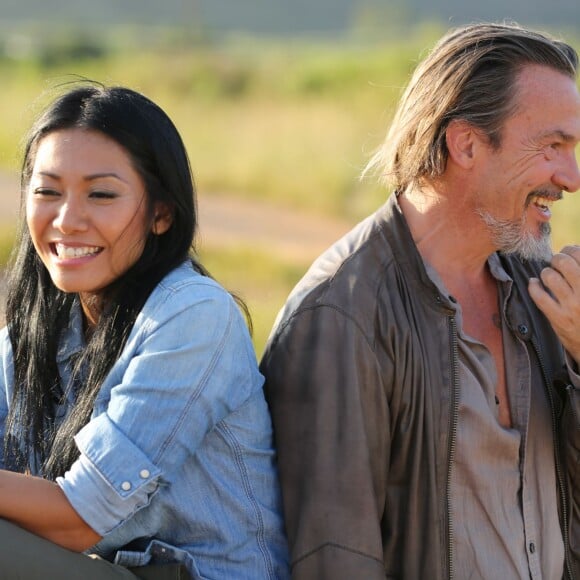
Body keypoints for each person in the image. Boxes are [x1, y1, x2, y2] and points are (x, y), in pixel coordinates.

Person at [260, 22, 580, 579]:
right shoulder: (340, 315)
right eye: (553, 146)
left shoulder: (546, 293)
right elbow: (337, 559)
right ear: (467, 144)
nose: (571, 178)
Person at [0, 84, 289, 579]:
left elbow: (78, 519)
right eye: (47, 191)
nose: (67, 220)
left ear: (162, 213)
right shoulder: (35, 328)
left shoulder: (193, 315)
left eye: (102, 194)